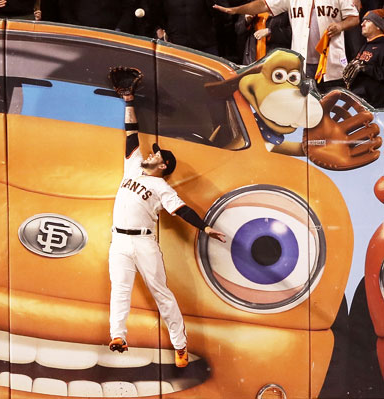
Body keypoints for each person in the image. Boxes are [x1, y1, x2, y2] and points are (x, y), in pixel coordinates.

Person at [107, 68, 226, 368]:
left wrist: (206, 226)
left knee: (161, 293)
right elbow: (131, 132)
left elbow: (182, 210)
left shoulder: (161, 186)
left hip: (145, 244)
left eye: (157, 155)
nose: (152, 154)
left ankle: (180, 344)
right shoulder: (133, 166)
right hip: (119, 239)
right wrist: (129, 100)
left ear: (163, 166)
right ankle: (118, 335)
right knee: (119, 289)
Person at [214, 0, 359, 92]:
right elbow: (263, 5)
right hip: (301, 66)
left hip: (331, 65)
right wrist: (236, 10)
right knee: (305, 111)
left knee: (331, 109)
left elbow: (354, 18)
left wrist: (340, 26)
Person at [343, 9, 384, 107]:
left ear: (378, 26)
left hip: (375, 107)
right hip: (358, 101)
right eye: (363, 20)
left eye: (368, 21)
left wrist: (365, 67)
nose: (362, 24)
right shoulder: (365, 46)